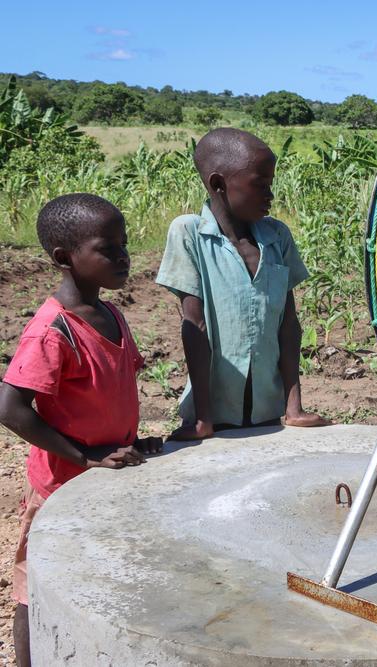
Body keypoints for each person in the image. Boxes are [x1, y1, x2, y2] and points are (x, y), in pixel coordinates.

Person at [0, 194, 163, 666]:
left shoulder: (111, 315)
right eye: (107, 248)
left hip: (104, 478)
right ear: (64, 259)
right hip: (61, 486)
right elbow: (10, 406)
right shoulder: (54, 330)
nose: (123, 256)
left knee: (98, 575)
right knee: (38, 584)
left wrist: (132, 442)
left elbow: (109, 390)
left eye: (125, 244)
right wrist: (83, 455)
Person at [156, 128, 330, 439]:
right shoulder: (189, 233)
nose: (270, 196)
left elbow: (288, 324)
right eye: (259, 185)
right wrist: (203, 420)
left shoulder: (277, 237)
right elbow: (194, 325)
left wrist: (293, 409)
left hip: (269, 411)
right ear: (218, 184)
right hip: (215, 413)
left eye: (271, 185)